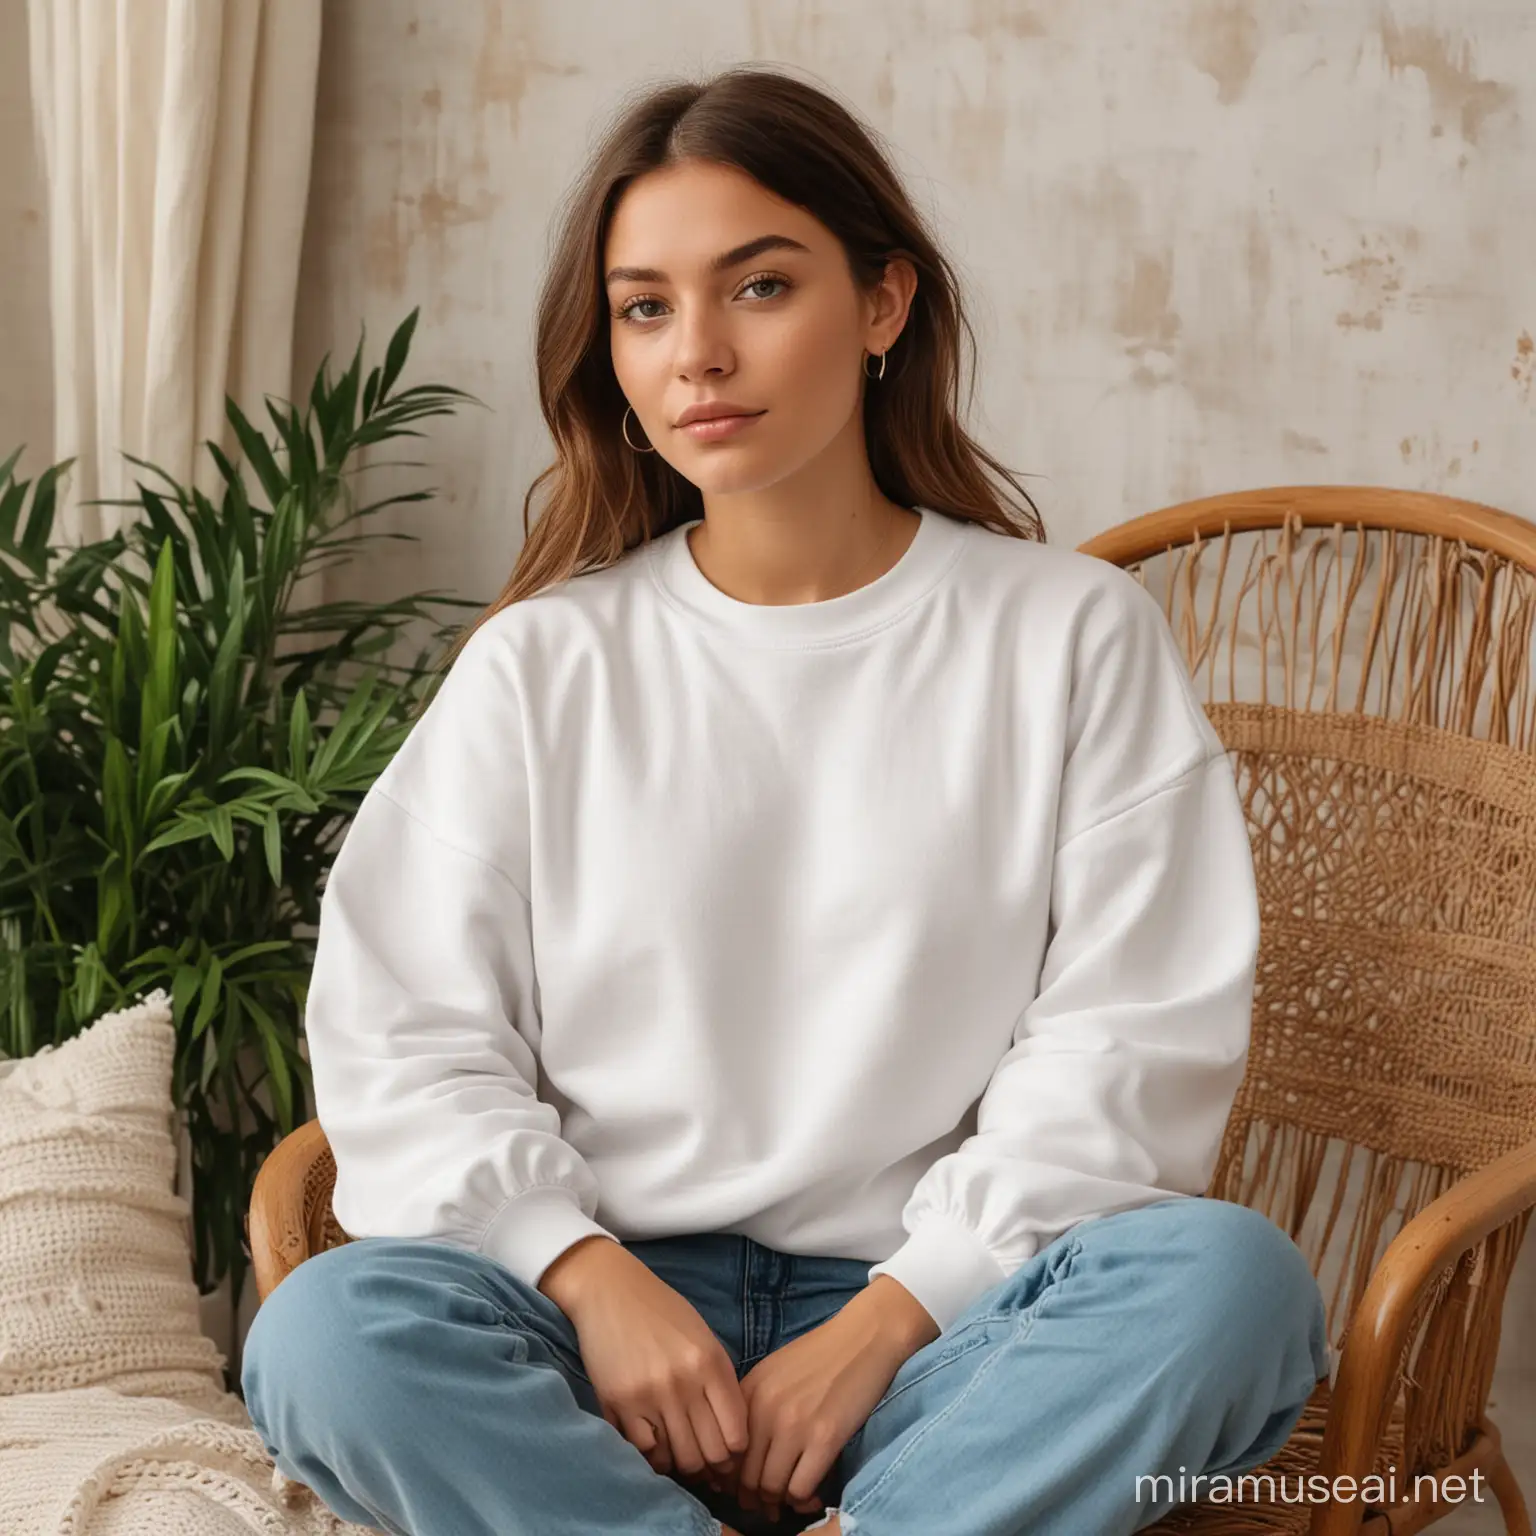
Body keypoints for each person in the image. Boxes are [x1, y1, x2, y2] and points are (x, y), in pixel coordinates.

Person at [240, 63, 1329, 1536]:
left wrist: (886, 1326)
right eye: (644, 307)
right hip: (600, 1325)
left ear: (883, 305)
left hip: (946, 1329)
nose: (698, 354)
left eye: (758, 288)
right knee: (327, 1338)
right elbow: (405, 1035)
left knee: (1231, 1288)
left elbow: (1129, 1039)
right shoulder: (546, 665)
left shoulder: (1067, 635)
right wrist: (584, 1275)